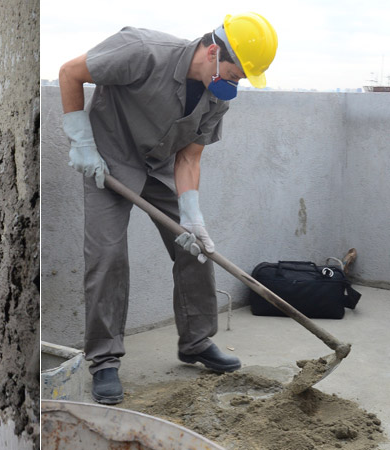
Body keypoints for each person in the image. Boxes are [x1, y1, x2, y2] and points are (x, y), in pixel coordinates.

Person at [59, 13, 277, 405]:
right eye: (234, 72)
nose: (236, 83)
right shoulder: (142, 51)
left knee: (195, 248)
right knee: (107, 256)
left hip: (160, 166)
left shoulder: (216, 97)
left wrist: (192, 215)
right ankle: (105, 361)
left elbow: (189, 159)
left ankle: (196, 341)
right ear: (213, 52)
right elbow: (70, 72)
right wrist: (81, 142)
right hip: (107, 161)